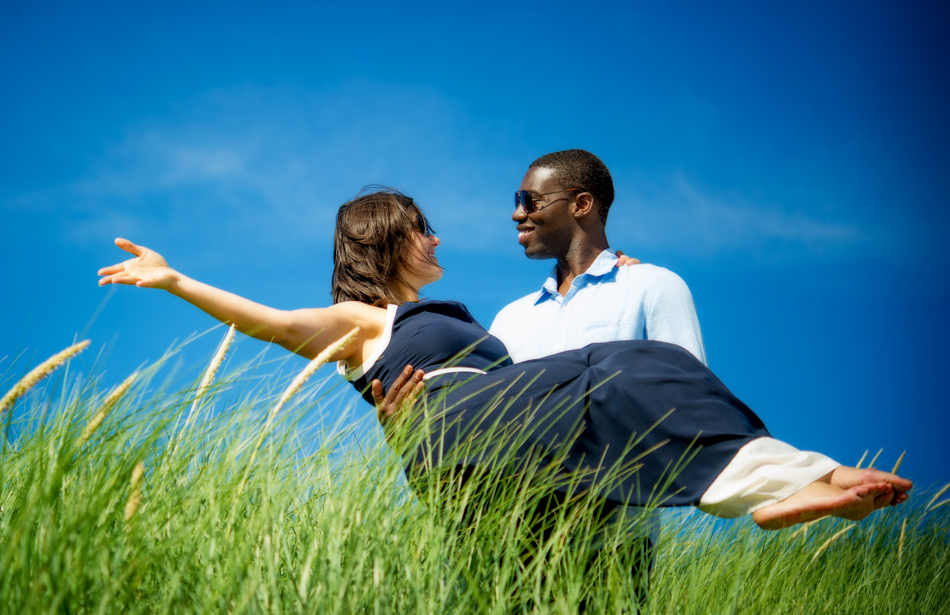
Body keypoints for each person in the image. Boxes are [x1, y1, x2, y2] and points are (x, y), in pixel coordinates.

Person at [96, 188, 911, 532]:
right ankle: (791, 484)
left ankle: (805, 481)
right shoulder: (361, 318)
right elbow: (273, 325)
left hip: (508, 440)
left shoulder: (461, 322)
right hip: (467, 439)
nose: (436, 237)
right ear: (387, 241)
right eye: (421, 227)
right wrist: (175, 281)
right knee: (632, 366)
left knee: (647, 379)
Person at [374, 149, 702, 598]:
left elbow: (689, 406)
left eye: (528, 200)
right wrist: (407, 430)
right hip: (497, 550)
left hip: (609, 546)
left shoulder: (652, 288)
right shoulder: (509, 320)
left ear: (580, 204)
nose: (516, 213)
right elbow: (479, 431)